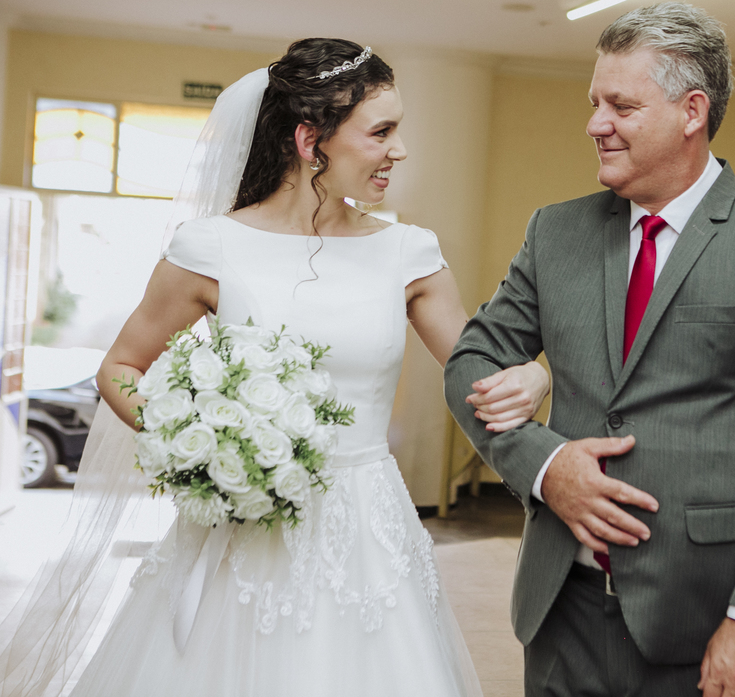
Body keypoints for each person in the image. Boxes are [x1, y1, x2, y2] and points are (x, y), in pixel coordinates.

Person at [0, 39, 549, 697]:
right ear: (310, 139)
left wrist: (536, 375)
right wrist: (193, 444)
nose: (400, 150)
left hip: (365, 530)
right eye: (381, 132)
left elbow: (479, 370)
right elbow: (120, 367)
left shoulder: (410, 253)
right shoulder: (211, 245)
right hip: (240, 527)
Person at [444, 2, 735, 697]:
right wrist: (547, 466)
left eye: (621, 106)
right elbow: (470, 363)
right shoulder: (555, 233)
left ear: (692, 112)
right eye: (595, 103)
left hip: (700, 620)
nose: (595, 124)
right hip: (559, 610)